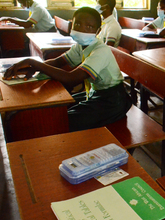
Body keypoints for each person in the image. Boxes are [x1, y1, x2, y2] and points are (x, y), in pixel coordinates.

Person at [3, 7, 132, 132]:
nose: (82, 29)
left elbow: (71, 79)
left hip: (112, 101)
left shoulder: (100, 51)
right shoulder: (81, 46)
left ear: (98, 31)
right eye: (78, 24)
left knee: (63, 121)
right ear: (71, 25)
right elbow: (57, 62)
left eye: (89, 27)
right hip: (94, 93)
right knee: (55, 107)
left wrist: (34, 63)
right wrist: (32, 68)